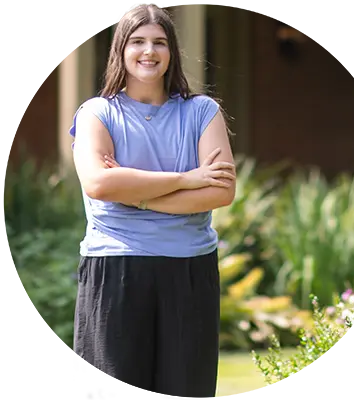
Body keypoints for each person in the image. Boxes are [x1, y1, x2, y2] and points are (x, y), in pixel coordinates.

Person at [69, 3, 236, 400]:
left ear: (172, 52)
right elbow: (98, 183)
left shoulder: (202, 112)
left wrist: (137, 197)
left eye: (160, 42)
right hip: (115, 267)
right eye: (138, 41)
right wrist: (185, 180)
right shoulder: (98, 113)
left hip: (190, 270)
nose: (149, 51)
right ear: (121, 51)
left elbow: (220, 191)